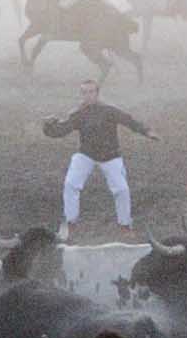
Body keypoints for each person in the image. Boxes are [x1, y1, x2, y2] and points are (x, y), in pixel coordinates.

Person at [42, 79, 158, 240]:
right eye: (85, 92)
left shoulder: (109, 110)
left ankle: (125, 225)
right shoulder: (78, 114)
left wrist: (147, 131)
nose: (88, 95)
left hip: (111, 156)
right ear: (81, 94)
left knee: (122, 189)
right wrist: (48, 127)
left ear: (97, 93)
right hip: (86, 155)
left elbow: (129, 121)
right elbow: (61, 131)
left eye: (91, 92)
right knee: (70, 184)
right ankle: (70, 223)